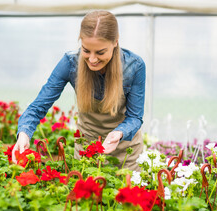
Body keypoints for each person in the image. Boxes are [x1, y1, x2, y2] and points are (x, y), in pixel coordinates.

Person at [12, 10, 146, 171]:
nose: (93, 59)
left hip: (126, 153)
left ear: (115, 42)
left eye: (100, 52)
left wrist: (118, 133)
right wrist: (24, 134)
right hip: (86, 150)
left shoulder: (134, 66)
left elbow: (135, 117)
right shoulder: (70, 63)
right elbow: (38, 106)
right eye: (86, 50)